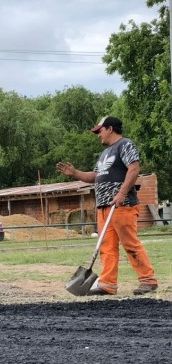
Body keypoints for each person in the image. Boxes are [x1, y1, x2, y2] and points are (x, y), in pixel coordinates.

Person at [56, 115, 157, 296]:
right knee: (107, 247)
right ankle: (108, 284)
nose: (98, 135)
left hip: (122, 205)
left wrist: (122, 193)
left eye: (99, 131)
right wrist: (74, 173)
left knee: (130, 244)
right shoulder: (104, 154)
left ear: (110, 129)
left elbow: (134, 169)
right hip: (104, 207)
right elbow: (95, 177)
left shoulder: (125, 145)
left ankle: (148, 280)